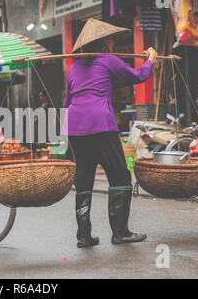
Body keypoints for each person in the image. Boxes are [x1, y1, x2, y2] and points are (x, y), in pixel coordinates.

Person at [63, 19, 157, 248]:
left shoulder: (73, 68)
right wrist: (151, 59)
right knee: (120, 176)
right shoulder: (108, 60)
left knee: (83, 179)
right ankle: (120, 232)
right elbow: (137, 77)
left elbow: (66, 101)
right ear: (102, 43)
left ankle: (84, 236)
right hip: (100, 125)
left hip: (75, 127)